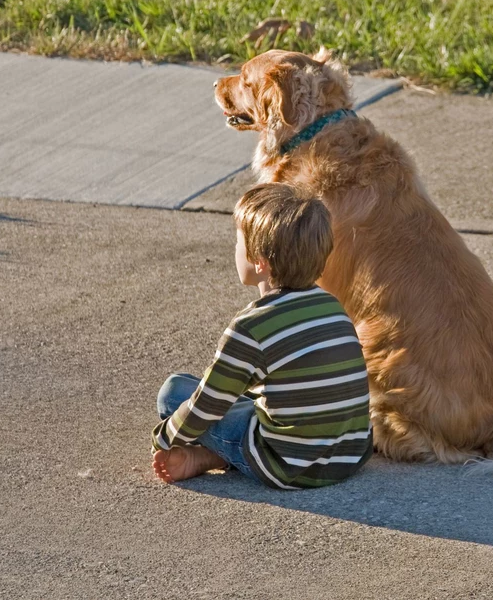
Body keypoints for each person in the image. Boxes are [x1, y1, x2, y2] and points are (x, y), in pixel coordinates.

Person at [151, 183, 372, 489]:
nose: (235, 249)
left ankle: (222, 455)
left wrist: (162, 439)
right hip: (349, 456)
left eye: (238, 242)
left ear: (260, 261)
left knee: (175, 391)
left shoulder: (251, 328)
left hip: (287, 465)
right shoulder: (332, 306)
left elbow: (208, 405)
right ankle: (213, 457)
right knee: (252, 394)